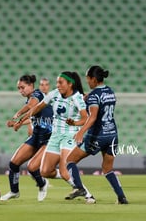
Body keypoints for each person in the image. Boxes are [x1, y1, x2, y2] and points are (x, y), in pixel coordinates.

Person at [24, 71, 96, 203]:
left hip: (70, 134)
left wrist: (75, 123)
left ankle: (87, 195)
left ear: (70, 84)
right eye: (57, 82)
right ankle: (74, 183)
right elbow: (39, 107)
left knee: (64, 170)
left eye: (60, 82)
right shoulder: (54, 94)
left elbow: (86, 118)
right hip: (55, 136)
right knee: (45, 171)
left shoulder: (77, 98)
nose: (57, 85)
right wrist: (25, 116)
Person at [65, 65, 128, 204]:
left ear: (94, 79)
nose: (87, 81)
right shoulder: (110, 91)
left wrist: (81, 131)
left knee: (70, 160)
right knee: (107, 169)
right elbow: (102, 107)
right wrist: (76, 123)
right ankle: (121, 197)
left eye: (88, 78)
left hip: (98, 135)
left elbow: (92, 117)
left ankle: (79, 188)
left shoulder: (94, 96)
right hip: (112, 135)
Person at [1, 74, 53, 202]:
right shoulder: (30, 98)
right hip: (36, 136)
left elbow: (30, 107)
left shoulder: (38, 95)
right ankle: (14, 191)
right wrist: (18, 123)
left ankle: (43, 184)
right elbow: (33, 116)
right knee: (14, 163)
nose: (20, 91)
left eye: (22, 87)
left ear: (31, 85)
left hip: (49, 138)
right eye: (18, 88)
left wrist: (18, 114)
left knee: (32, 167)